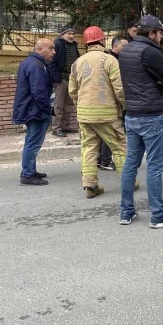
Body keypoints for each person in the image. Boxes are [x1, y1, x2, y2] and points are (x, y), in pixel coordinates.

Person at [118, 15, 163, 228]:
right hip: (151, 115)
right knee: (155, 166)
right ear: (152, 33)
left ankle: (126, 211)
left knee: (131, 163)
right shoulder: (151, 52)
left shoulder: (125, 50)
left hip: (132, 114)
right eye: (160, 32)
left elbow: (134, 78)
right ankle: (158, 214)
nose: (162, 36)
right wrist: (156, 81)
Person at [68, 27, 128, 199]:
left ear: (86, 43)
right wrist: (124, 106)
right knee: (119, 147)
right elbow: (120, 89)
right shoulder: (109, 60)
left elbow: (72, 91)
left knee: (88, 149)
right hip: (107, 114)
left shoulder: (77, 63)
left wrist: (80, 104)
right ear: (102, 41)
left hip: (84, 115)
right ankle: (127, 183)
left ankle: (90, 186)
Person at [13, 39, 55, 186]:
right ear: (39, 49)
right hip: (35, 111)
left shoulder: (32, 63)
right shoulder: (36, 66)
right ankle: (27, 175)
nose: (53, 52)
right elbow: (39, 92)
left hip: (32, 109)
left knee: (32, 141)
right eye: (50, 48)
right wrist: (47, 109)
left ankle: (30, 169)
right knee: (33, 142)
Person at [98, 36, 129, 171]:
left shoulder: (111, 58)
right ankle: (105, 160)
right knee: (111, 134)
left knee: (102, 134)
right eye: (124, 46)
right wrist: (124, 103)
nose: (126, 49)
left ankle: (100, 160)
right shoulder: (112, 60)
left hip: (101, 103)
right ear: (115, 46)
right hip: (111, 103)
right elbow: (118, 86)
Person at [49, 25, 79, 137]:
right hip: (62, 79)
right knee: (59, 105)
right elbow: (51, 63)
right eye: (69, 34)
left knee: (69, 104)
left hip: (71, 79)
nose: (71, 36)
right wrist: (58, 78)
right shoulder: (57, 44)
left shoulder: (74, 45)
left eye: (73, 34)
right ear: (62, 34)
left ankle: (65, 126)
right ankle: (56, 128)